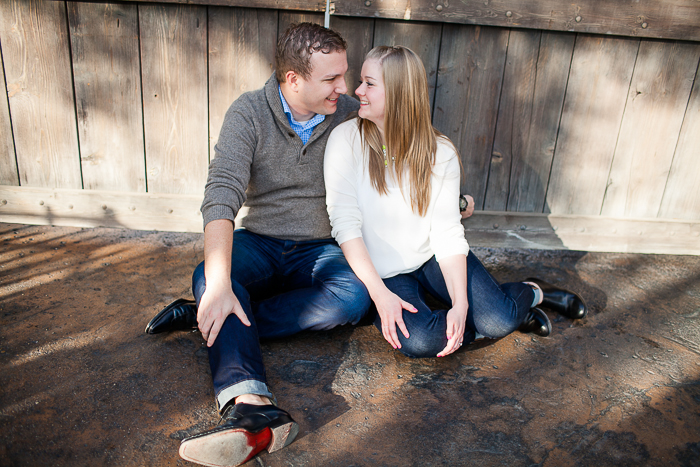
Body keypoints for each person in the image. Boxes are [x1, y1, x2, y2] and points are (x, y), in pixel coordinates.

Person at [145, 23, 371, 467]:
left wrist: (451, 196)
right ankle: (249, 404)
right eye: (331, 79)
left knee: (355, 298)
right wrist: (218, 282)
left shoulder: (348, 112)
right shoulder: (248, 112)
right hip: (262, 241)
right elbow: (222, 192)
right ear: (293, 79)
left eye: (344, 76)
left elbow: (408, 146)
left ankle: (207, 316)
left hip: (322, 249)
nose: (344, 89)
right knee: (209, 275)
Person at [324, 45, 587, 359]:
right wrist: (380, 295)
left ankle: (531, 292)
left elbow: (447, 232)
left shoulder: (439, 151)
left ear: (398, 92)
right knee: (420, 341)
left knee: (498, 319)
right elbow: (345, 226)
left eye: (369, 83)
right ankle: (491, 321)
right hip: (385, 275)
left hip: (432, 257)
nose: (357, 90)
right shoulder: (346, 140)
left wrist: (461, 306)